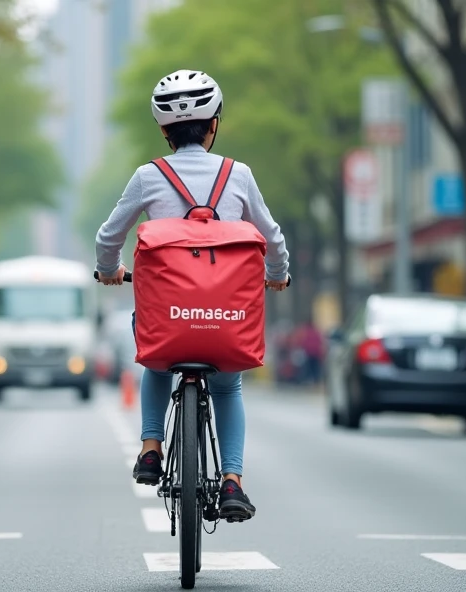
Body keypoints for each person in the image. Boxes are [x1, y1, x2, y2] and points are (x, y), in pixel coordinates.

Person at [95, 70, 290, 523]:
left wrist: (110, 271)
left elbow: (108, 237)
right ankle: (232, 481)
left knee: (155, 357)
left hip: (167, 314)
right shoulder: (237, 175)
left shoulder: (148, 176)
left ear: (164, 130)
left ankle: (149, 448)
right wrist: (277, 274)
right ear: (214, 124)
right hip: (226, 317)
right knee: (228, 384)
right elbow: (273, 238)